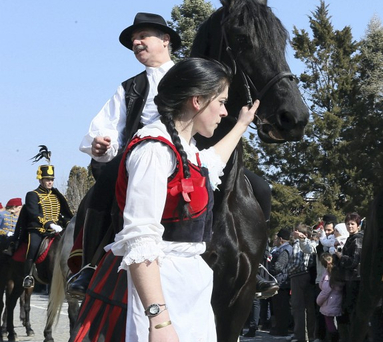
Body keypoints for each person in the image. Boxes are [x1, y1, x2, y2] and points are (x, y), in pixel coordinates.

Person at [83, 58, 259, 340]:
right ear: (198, 100)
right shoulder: (153, 149)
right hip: (156, 288)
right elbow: (140, 238)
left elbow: (210, 165)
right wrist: (160, 321)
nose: (224, 112)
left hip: (188, 285)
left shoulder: (184, 148)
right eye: (222, 102)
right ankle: (84, 264)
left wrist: (241, 125)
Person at [69, 12, 182, 294]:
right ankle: (91, 265)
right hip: (139, 157)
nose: (136, 43)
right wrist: (101, 146)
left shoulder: (191, 75)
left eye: (143, 37)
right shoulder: (128, 87)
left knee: (256, 188)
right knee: (102, 188)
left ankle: (256, 267)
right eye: (134, 40)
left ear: (165, 40)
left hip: (188, 153)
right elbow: (106, 129)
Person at [12, 147, 72, 288]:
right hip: (38, 229)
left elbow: (63, 213)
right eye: (47, 179)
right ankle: (28, 276)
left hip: (56, 230)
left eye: (51, 179)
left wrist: (68, 223)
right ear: (40, 179)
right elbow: (34, 213)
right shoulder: (32, 194)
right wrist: (49, 224)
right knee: (32, 247)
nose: (50, 182)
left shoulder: (57, 195)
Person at [335, 212, 364, 340]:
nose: (350, 226)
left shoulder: (357, 238)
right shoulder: (350, 238)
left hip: (355, 279)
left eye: (352, 224)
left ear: (358, 225)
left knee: (353, 312)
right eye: (348, 224)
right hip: (349, 279)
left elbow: (353, 261)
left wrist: (341, 257)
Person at [289, 223, 318, 342]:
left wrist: (287, 271)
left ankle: (300, 335)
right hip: (309, 276)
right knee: (309, 307)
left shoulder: (297, 244)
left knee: (298, 307)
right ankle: (311, 335)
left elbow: (296, 262)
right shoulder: (313, 243)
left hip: (298, 275)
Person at [317, 251, 343, 342]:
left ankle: (334, 339)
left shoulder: (328, 274)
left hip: (329, 301)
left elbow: (326, 289)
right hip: (338, 299)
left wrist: (319, 301)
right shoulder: (337, 271)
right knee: (339, 322)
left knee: (330, 323)